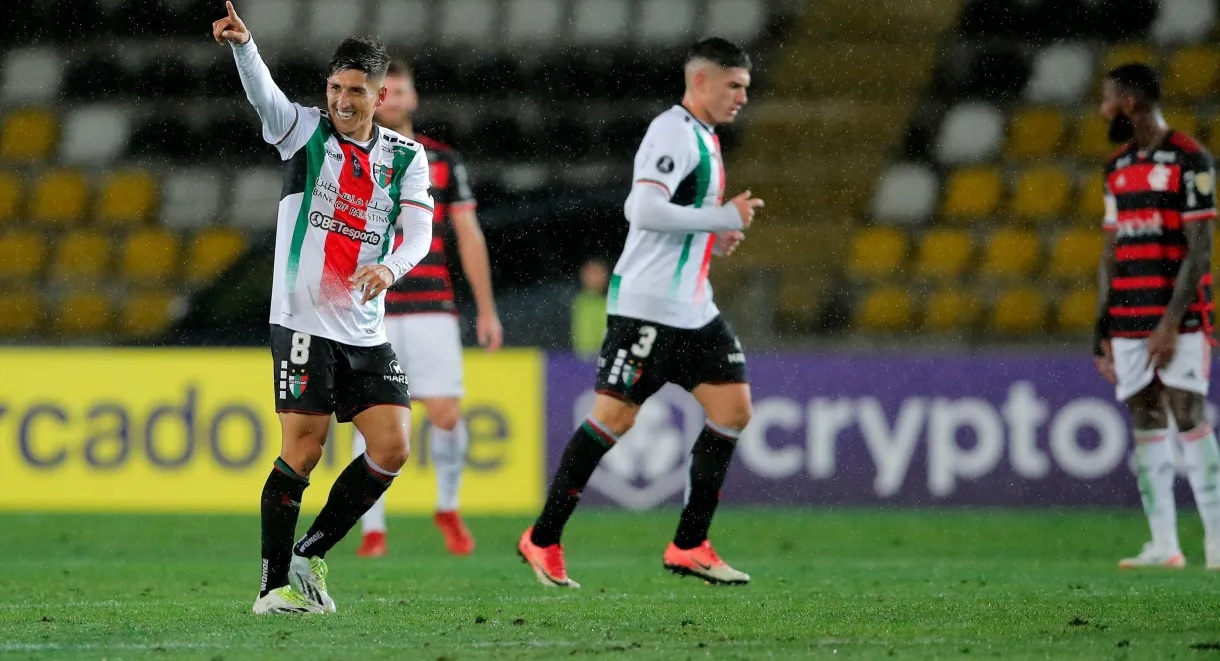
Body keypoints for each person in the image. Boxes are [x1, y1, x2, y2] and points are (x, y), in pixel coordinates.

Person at [213, 2, 434, 613]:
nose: (342, 100)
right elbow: (266, 99)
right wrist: (244, 46)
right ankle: (270, 587)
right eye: (335, 88)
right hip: (304, 321)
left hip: (365, 328)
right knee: (303, 450)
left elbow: (418, 233)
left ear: (379, 94)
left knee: (392, 447)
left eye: (355, 91)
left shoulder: (405, 158)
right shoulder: (305, 132)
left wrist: (389, 267)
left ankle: (311, 553)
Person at [517, 37, 759, 588]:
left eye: (746, 87)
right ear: (701, 81)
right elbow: (643, 208)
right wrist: (720, 216)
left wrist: (713, 237)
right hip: (648, 308)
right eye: (734, 85)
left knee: (733, 408)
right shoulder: (672, 131)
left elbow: (681, 218)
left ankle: (690, 544)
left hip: (693, 309)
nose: (742, 96)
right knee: (614, 419)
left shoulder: (705, 137)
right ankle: (543, 537)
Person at [350, 59, 503, 558]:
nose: (391, 98)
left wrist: (486, 308)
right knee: (373, 418)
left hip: (433, 305)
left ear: (413, 99)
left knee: (445, 412)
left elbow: (469, 236)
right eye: (383, 91)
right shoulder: (349, 157)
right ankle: (372, 529)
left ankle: (448, 507)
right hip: (371, 306)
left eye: (399, 91)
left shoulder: (442, 160)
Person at [1093, 63, 1220, 570]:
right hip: (1127, 317)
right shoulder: (1116, 168)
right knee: (1144, 419)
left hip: (1180, 319)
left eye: (1106, 100)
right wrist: (1101, 328)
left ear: (1128, 102)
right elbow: (1110, 251)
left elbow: (1202, 248)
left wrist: (1170, 321)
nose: (1101, 109)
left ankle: (1216, 544)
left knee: (1189, 414)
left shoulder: (1191, 159)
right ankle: (1165, 545)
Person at [570, 259, 609, 359]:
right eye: (592, 274)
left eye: (599, 273)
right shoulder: (578, 301)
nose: (596, 278)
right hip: (582, 357)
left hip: (604, 355)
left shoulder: (610, 301)